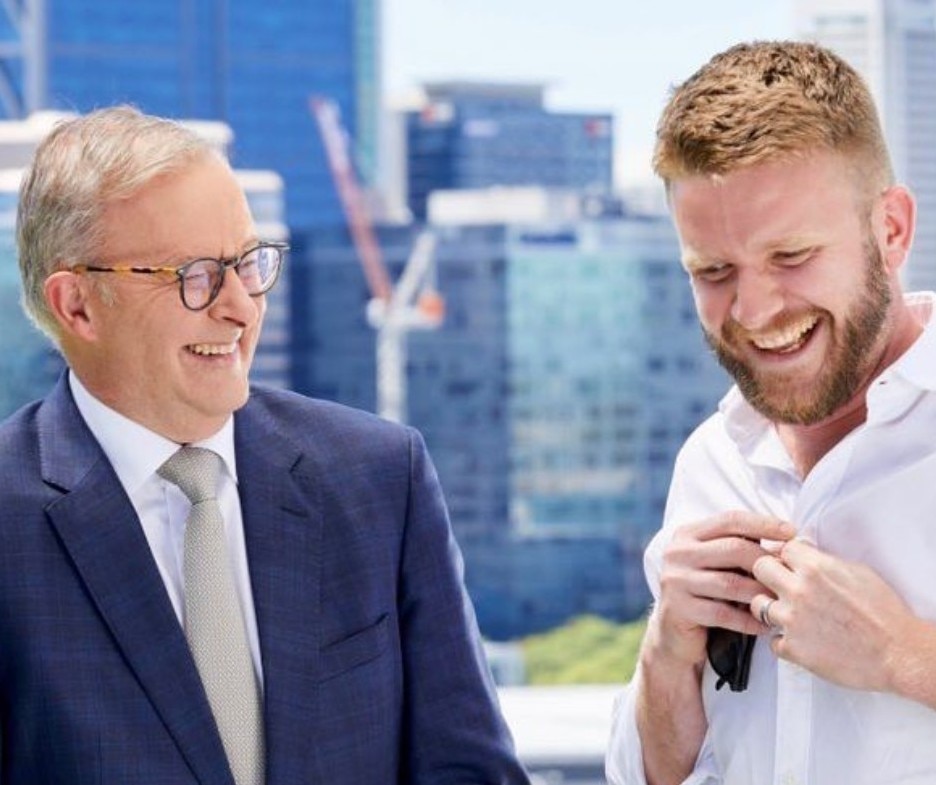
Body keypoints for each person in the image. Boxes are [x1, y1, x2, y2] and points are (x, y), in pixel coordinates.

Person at [0, 105, 530, 785]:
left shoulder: (377, 477)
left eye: (247, 263)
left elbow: (470, 771)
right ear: (77, 305)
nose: (242, 306)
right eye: (195, 275)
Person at [605, 40, 936, 785]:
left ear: (891, 230)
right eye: (714, 271)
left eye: (791, 256)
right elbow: (650, 776)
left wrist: (903, 655)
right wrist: (667, 652)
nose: (753, 311)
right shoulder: (709, 462)